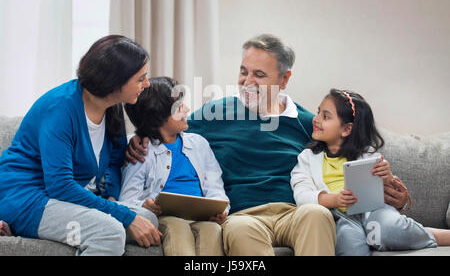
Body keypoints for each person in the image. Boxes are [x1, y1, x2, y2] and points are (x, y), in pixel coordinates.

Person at [126, 34, 411, 255]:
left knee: (316, 213)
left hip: (294, 213)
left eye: (259, 75)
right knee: (238, 229)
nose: (247, 82)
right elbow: (166, 126)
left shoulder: (309, 124)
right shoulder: (215, 114)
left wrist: (391, 192)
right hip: (243, 216)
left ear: (285, 79)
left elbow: (350, 161)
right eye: (243, 71)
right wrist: (139, 137)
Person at [0, 35, 162, 255]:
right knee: (110, 232)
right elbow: (60, 185)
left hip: (60, 198)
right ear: (115, 81)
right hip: (28, 198)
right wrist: (122, 215)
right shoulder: (60, 110)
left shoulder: (111, 106)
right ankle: (21, 225)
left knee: (147, 219)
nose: (147, 84)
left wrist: (111, 199)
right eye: (140, 78)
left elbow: (113, 162)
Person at [290, 89, 450, 255]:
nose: (315, 119)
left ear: (346, 129)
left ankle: (436, 236)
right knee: (349, 246)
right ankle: (372, 237)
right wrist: (335, 200)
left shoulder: (367, 154)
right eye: (318, 113)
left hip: (374, 211)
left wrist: (387, 177)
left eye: (325, 116)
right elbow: (302, 196)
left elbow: (386, 192)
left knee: (392, 229)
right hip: (340, 218)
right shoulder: (307, 159)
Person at [119, 77, 229, 256]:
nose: (186, 109)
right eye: (178, 107)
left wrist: (220, 210)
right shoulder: (141, 151)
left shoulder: (199, 144)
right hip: (165, 218)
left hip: (201, 218)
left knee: (212, 230)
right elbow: (127, 199)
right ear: (158, 115)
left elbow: (215, 188)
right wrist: (143, 206)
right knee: (177, 227)